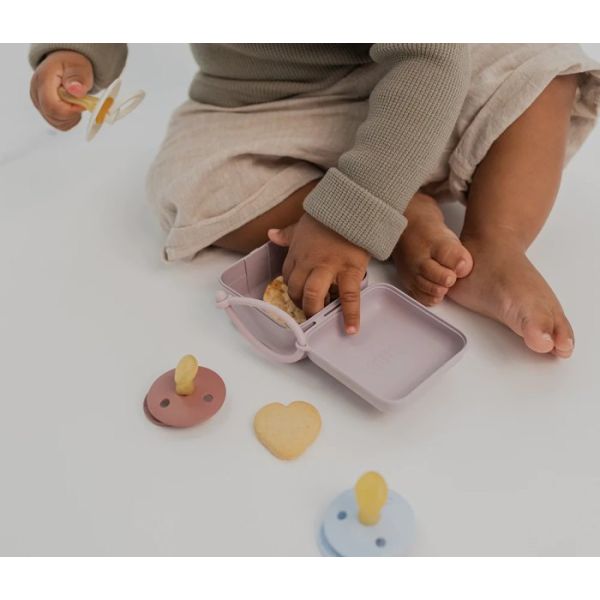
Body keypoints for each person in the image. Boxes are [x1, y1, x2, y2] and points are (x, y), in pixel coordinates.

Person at [29, 44, 600, 357]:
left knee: (541, 69)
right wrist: (76, 52)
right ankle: (400, 215)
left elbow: (432, 58)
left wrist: (346, 223)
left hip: (418, 83)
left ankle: (496, 241)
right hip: (260, 107)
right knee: (186, 179)